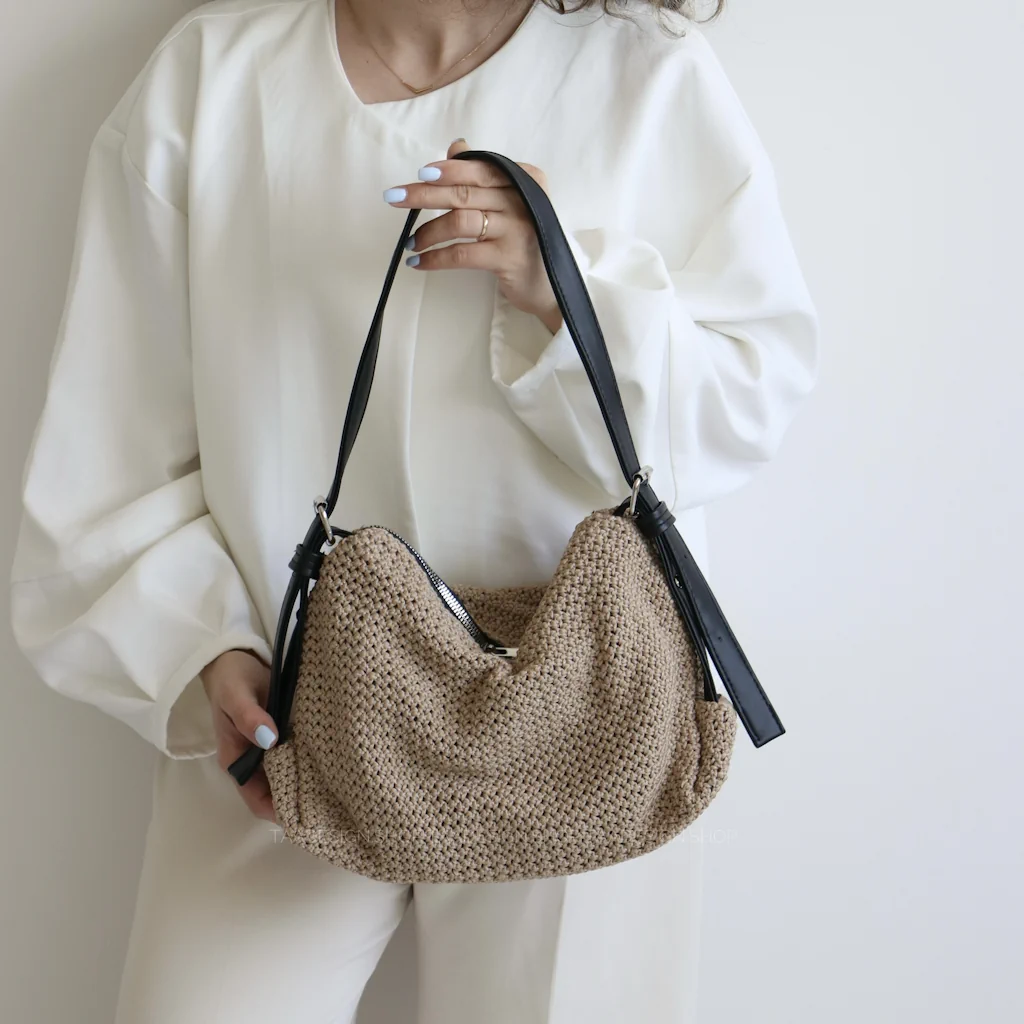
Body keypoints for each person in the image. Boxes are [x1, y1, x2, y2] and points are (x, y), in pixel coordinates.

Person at [8, 0, 819, 1020]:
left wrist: (562, 286)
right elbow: (111, 442)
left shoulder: (649, 77)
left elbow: (746, 400)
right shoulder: (211, 79)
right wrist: (202, 652)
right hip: (289, 721)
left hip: (587, 724)